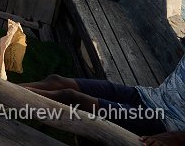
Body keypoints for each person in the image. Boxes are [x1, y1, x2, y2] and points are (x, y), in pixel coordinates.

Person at [20, 56, 185, 145]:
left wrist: (172, 138)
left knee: (70, 97)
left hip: (162, 122)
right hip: (146, 95)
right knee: (56, 81)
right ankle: (0, 86)